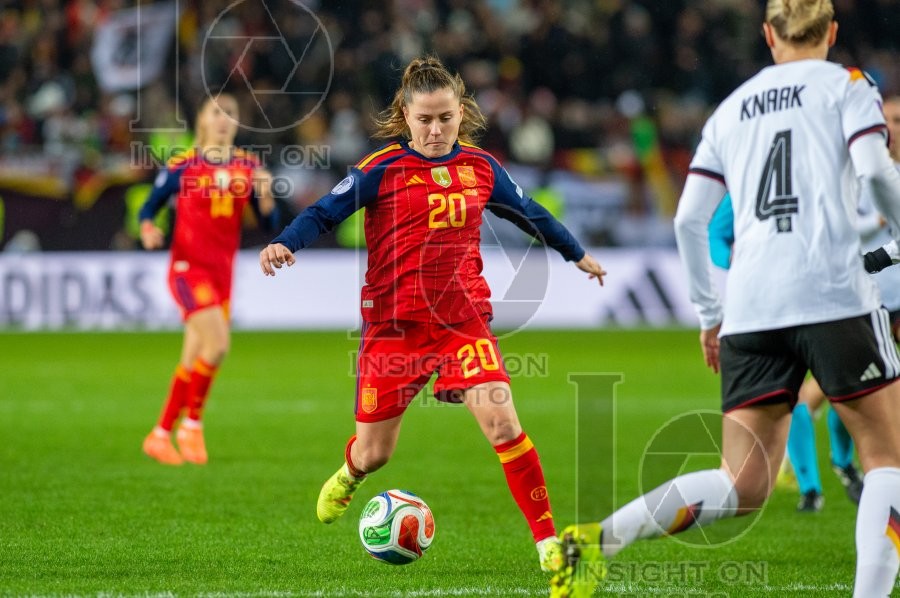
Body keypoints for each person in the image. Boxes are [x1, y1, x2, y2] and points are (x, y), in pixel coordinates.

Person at [552, 2, 900, 597]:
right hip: (835, 293)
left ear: (768, 35)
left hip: (751, 304)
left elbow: (690, 218)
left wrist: (711, 315)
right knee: (888, 462)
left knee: (741, 485)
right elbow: (873, 172)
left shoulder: (732, 107)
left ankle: (593, 542)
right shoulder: (849, 85)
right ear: (832, 32)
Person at [259, 56, 607, 575]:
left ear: (461, 113)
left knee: (504, 424)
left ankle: (547, 543)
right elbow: (323, 213)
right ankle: (351, 472)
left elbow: (530, 212)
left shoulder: (481, 168)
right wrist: (287, 243)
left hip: (462, 323)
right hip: (393, 332)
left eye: (446, 117)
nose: (437, 129)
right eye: (425, 119)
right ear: (406, 113)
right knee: (376, 453)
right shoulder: (380, 169)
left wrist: (574, 252)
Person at [139, 93, 275, 466]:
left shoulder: (248, 168)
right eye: (216, 112)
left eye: (230, 113)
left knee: (192, 358)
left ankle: (160, 433)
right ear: (202, 120)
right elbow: (150, 206)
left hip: (222, 276)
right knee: (217, 346)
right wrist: (149, 228)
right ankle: (192, 425)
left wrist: (266, 200)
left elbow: (267, 226)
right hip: (188, 269)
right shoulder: (184, 165)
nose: (223, 119)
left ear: (237, 122)